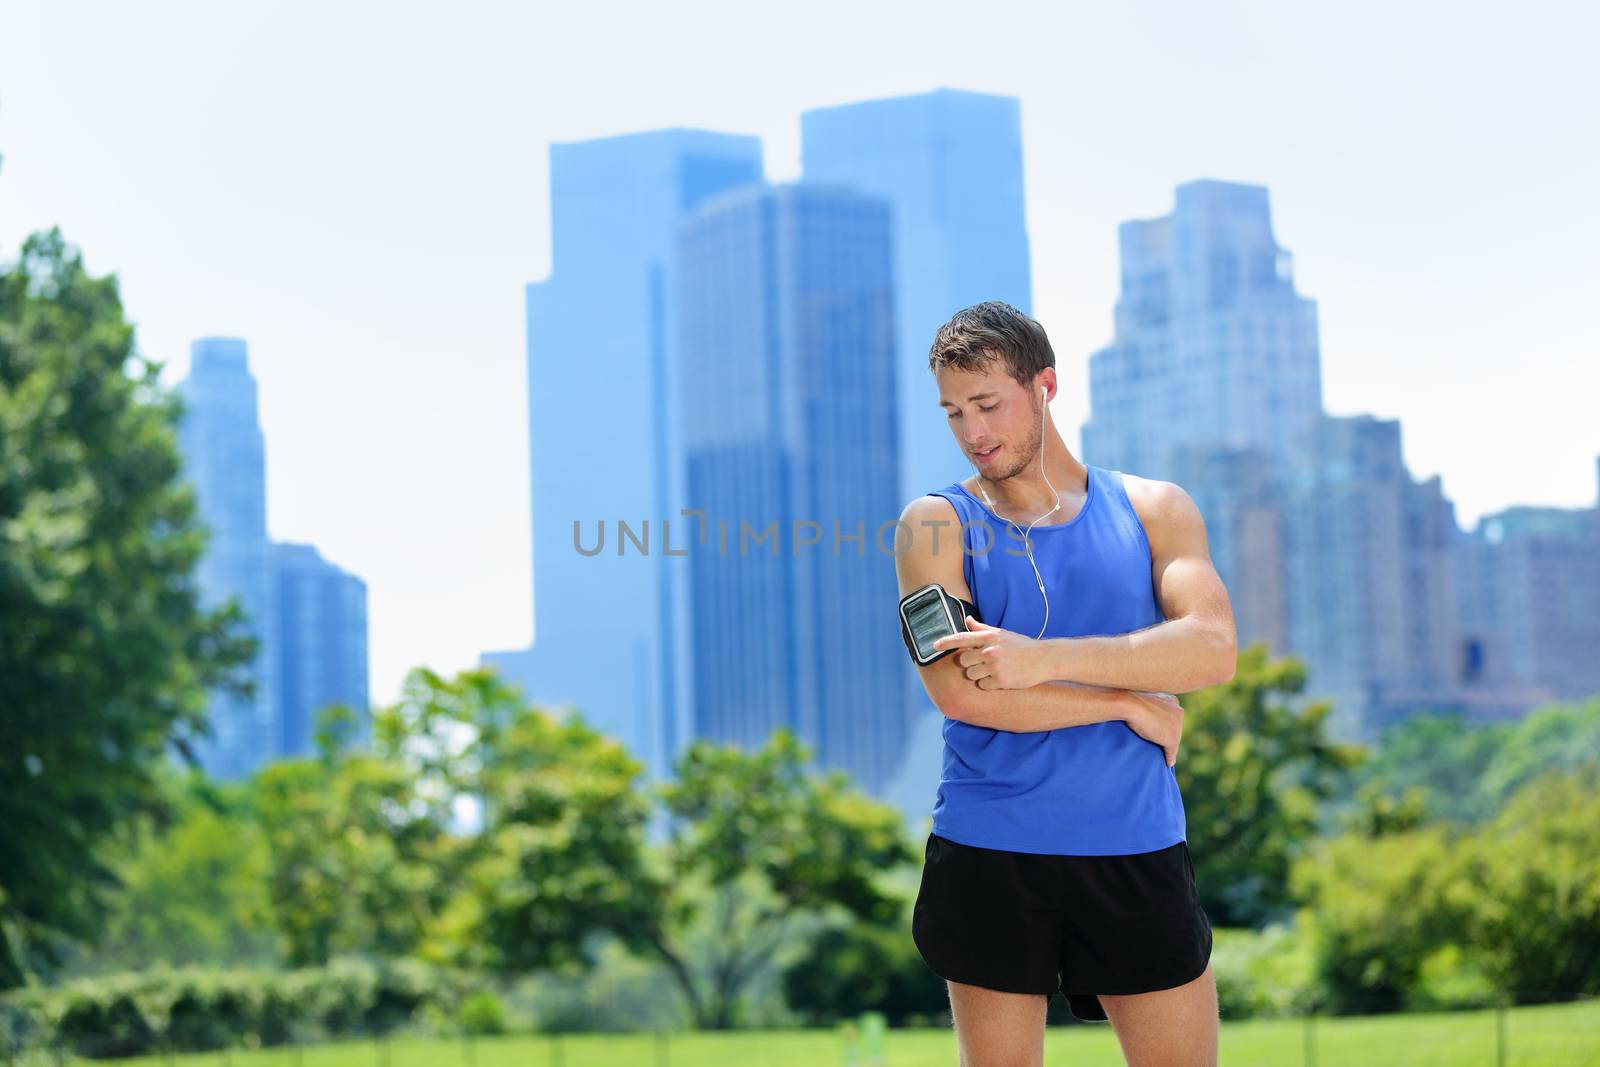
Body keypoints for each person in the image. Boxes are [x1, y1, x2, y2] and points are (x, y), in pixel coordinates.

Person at [893, 301, 1237, 1067]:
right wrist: (1124, 700)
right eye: (953, 412)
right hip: (991, 849)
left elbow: (1211, 649)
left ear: (1045, 385)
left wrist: (1044, 659)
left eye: (989, 404)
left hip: (1135, 844)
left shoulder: (1155, 509)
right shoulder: (932, 527)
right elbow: (964, 694)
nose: (972, 431)